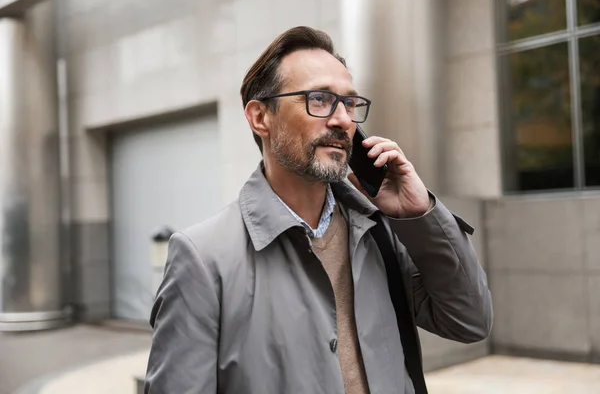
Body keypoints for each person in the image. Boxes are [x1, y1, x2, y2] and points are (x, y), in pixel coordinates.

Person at [144, 26, 493, 394]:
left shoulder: (380, 234)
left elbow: (468, 321)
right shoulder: (204, 258)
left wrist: (418, 214)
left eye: (349, 103)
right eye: (320, 99)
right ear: (260, 117)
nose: (343, 119)